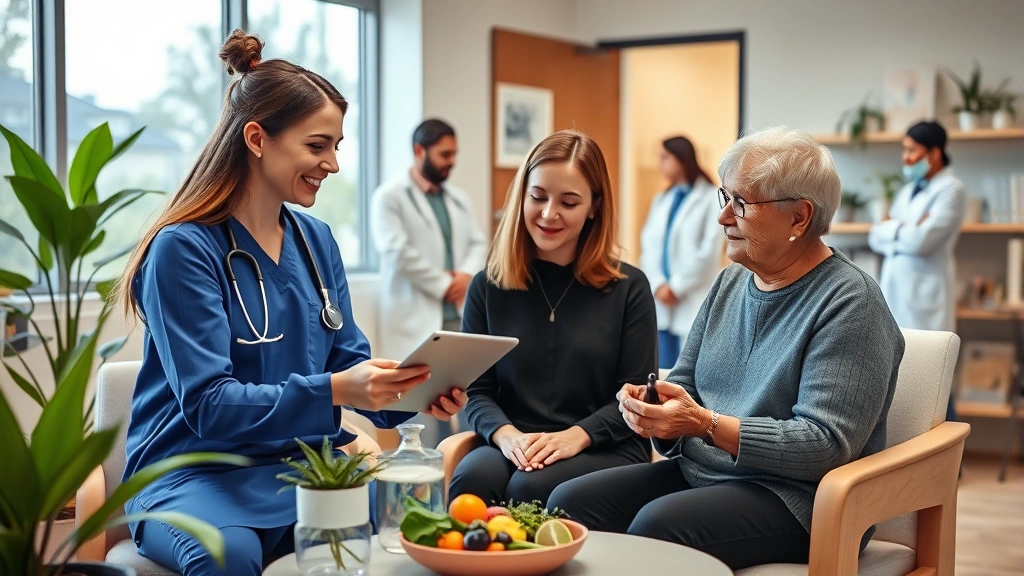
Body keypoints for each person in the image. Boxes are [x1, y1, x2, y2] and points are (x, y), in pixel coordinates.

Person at [111, 31, 465, 576]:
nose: (333, 164)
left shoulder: (316, 240)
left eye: (336, 148)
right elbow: (209, 404)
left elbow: (348, 363)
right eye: (317, 146)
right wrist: (339, 390)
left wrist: (417, 387)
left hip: (301, 466)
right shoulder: (182, 248)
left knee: (421, 524)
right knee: (228, 558)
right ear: (257, 138)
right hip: (194, 476)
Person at [548, 126, 905, 571]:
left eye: (742, 204)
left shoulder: (851, 303)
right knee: (566, 504)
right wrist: (657, 406)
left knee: (658, 530)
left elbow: (824, 444)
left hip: (800, 500)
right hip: (707, 473)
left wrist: (703, 424)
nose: (723, 218)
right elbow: (685, 382)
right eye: (725, 198)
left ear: (799, 217)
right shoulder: (731, 281)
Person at [449, 130, 657, 507]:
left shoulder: (629, 288)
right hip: (515, 442)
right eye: (538, 197)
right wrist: (507, 435)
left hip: (604, 444)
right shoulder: (487, 286)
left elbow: (636, 398)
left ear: (594, 205)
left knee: (530, 489)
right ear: (522, 196)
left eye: (569, 201)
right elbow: (476, 392)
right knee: (473, 480)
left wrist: (575, 436)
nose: (548, 214)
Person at [868, 120, 964, 421]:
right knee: (905, 378)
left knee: (932, 378)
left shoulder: (952, 189)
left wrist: (892, 229)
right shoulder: (909, 190)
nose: (905, 158)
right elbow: (874, 235)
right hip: (896, 294)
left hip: (926, 298)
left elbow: (923, 241)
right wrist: (904, 228)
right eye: (904, 150)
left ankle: (948, 460)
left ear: (934, 153)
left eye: (912, 150)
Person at [371, 119, 488, 359]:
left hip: (457, 313)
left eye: (454, 154)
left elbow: (478, 241)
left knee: (455, 389)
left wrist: (466, 275)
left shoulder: (459, 198)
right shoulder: (389, 196)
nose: (452, 162)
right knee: (411, 389)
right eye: (444, 154)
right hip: (413, 316)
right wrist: (444, 285)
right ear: (419, 151)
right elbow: (396, 251)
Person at [639, 136, 724, 369]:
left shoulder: (710, 198)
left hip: (691, 297)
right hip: (661, 301)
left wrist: (676, 287)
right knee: (661, 373)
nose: (660, 164)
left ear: (682, 159)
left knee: (690, 375)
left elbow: (709, 250)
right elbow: (648, 245)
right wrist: (658, 284)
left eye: (665, 158)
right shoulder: (662, 199)